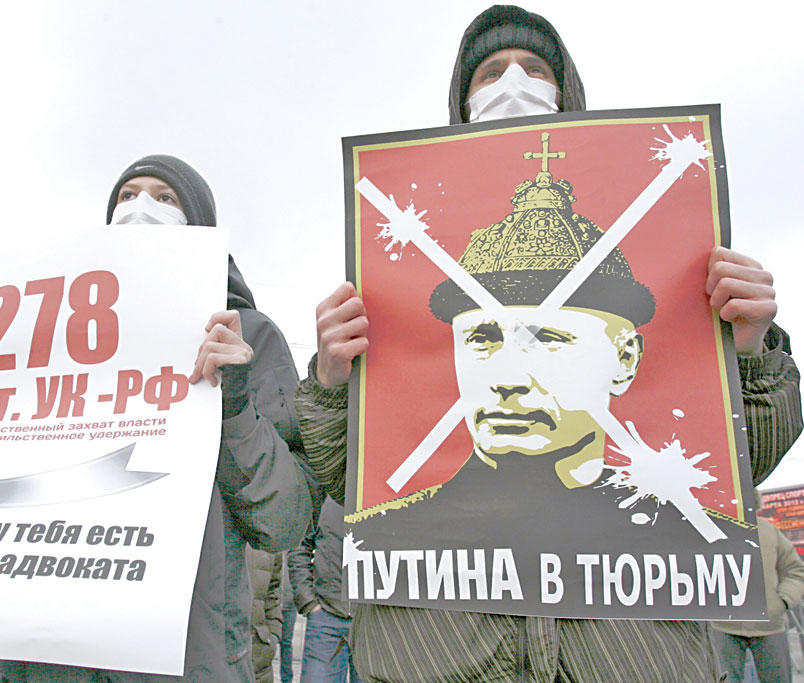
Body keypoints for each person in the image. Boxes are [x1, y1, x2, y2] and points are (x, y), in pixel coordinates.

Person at [296, 5, 803, 681]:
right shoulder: (400, 510)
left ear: (625, 357)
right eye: (482, 337)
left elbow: (743, 462)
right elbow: (343, 478)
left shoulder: (673, 514)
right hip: (436, 655)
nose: (509, 376)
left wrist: (749, 352)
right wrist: (332, 382)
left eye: (552, 337)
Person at [0, 154, 313, 681]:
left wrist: (234, 406)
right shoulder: (42, 329)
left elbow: (283, 520)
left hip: (183, 654)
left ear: (199, 222)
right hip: (34, 655)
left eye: (165, 197)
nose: (141, 207)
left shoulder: (244, 336)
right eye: (127, 196)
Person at [710, 494, 804, 683]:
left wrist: (783, 600)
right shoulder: (711, 530)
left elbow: (795, 570)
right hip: (723, 625)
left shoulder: (768, 531)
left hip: (769, 624)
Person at [289, 495, 360, 683]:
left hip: (371, 622)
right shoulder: (321, 493)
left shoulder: (384, 492)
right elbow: (298, 546)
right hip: (326, 619)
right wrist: (309, 603)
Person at [247, 546, 282, 682]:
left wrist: (273, 634)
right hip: (215, 654)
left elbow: (272, 591)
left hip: (259, 657)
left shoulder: (268, 541)